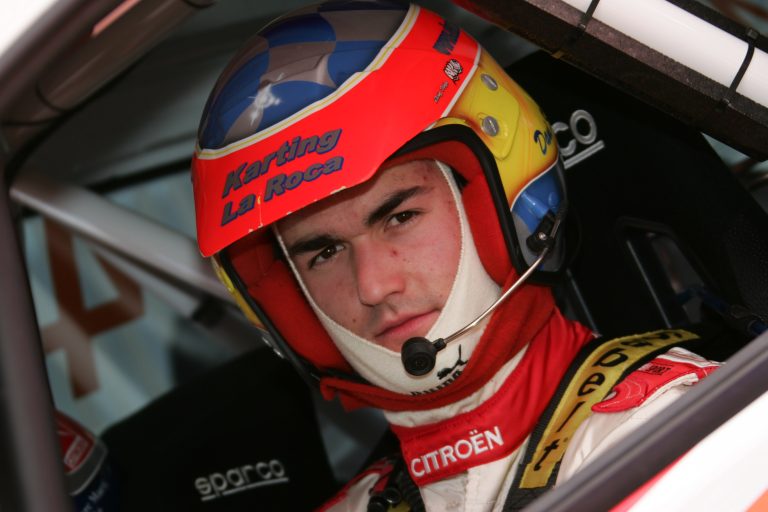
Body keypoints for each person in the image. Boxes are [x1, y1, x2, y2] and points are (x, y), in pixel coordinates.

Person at [190, 1, 719, 510]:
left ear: (505, 208)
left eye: (401, 217)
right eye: (325, 252)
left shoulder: (677, 433)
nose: (373, 286)